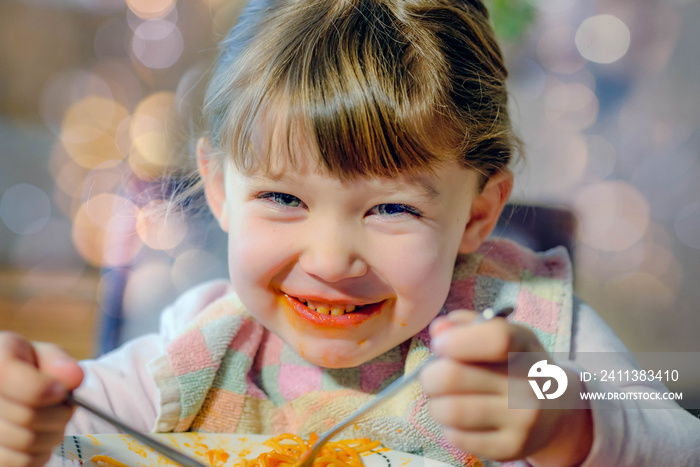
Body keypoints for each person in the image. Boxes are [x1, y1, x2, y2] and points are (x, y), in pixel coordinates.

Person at [1, 0, 699, 466]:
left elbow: (676, 437)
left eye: (391, 209)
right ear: (219, 189)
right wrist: (23, 412)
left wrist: (559, 411)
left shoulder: (532, 337)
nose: (331, 260)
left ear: (480, 213)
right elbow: (67, 421)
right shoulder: (200, 357)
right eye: (281, 197)